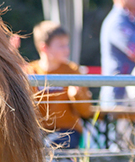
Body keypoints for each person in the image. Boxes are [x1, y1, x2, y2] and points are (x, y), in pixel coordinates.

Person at [24, 21, 93, 150]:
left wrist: (77, 96)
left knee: (52, 146)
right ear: (44, 48)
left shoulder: (72, 70)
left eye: (67, 45)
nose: (67, 50)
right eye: (61, 46)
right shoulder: (30, 71)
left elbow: (86, 112)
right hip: (37, 132)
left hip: (68, 131)